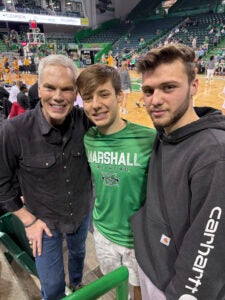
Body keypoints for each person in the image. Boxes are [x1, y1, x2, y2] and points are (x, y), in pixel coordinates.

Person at [131, 43, 225, 299]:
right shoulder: (166, 133)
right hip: (152, 267)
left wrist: (183, 294)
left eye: (169, 87)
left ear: (193, 86)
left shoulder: (214, 155)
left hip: (176, 287)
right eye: (148, 91)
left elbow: (210, 249)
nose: (155, 100)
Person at [0, 54, 93, 300]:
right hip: (43, 222)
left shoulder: (86, 122)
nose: (58, 96)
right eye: (50, 87)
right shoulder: (13, 131)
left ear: (76, 93)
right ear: (39, 88)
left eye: (66, 89)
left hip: (81, 212)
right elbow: (1, 184)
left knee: (78, 253)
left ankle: (76, 283)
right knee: (51, 288)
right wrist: (28, 221)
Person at [76, 64, 156, 300]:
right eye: (88, 98)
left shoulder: (148, 139)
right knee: (117, 289)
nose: (95, 104)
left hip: (137, 239)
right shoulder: (88, 139)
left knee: (140, 293)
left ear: (119, 96)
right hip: (102, 233)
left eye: (103, 94)